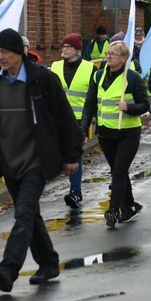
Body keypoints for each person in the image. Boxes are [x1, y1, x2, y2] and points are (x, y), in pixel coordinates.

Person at [0, 28, 82, 293]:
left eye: (5, 51)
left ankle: (8, 269)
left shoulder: (42, 80)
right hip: (9, 162)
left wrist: (71, 155)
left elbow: (63, 117)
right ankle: (48, 262)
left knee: (23, 213)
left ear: (19, 53)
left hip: (36, 161)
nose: (0, 56)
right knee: (30, 215)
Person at [80, 40, 149, 228]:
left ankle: (112, 209)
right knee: (119, 171)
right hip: (105, 134)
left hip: (128, 133)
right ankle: (130, 206)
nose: (109, 56)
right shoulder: (99, 76)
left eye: (114, 54)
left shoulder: (133, 78)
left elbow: (145, 104)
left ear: (124, 58)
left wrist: (130, 107)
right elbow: (90, 104)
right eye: (108, 53)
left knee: (119, 170)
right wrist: (83, 129)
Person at [50, 33, 94, 209]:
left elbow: (92, 99)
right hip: (56, 119)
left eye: (68, 47)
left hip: (77, 121)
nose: (64, 49)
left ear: (77, 49)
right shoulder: (55, 66)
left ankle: (75, 192)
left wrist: (86, 126)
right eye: (63, 47)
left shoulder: (90, 69)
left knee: (74, 155)